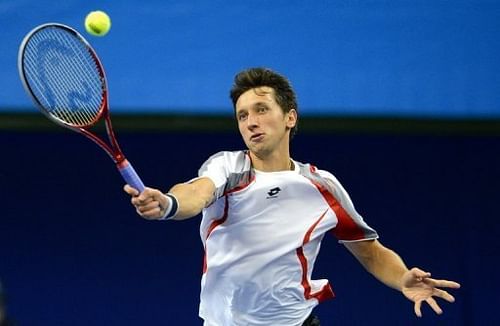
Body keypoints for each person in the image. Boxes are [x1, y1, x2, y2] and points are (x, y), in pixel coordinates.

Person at [124, 67, 460, 326]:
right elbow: (196, 193)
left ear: (290, 117)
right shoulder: (227, 167)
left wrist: (401, 278)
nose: (251, 122)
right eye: (243, 115)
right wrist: (168, 204)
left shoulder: (322, 186)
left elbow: (369, 251)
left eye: (261, 109)